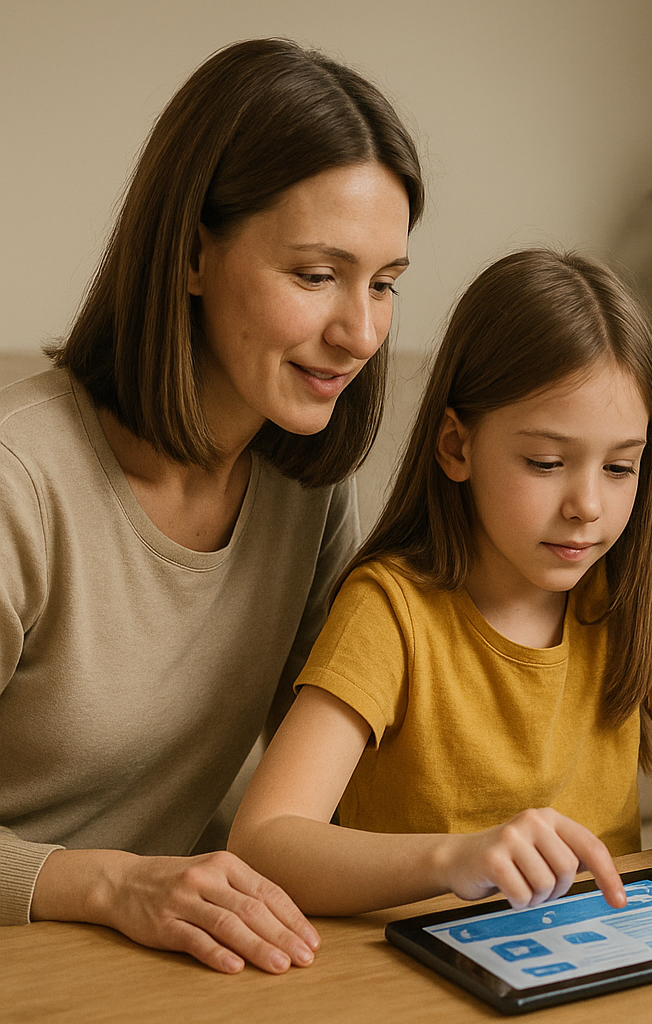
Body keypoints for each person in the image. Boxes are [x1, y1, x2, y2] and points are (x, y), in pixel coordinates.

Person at [227, 249, 652, 950]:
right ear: (456, 446)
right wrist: (450, 859)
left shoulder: (629, 594)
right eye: (546, 463)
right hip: (429, 970)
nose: (587, 505)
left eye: (619, 467)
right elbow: (265, 839)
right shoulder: (391, 609)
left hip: (606, 957)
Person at [0, 38, 424, 971]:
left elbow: (318, 781)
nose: (360, 332)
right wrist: (112, 883)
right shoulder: (19, 484)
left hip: (189, 959)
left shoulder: (308, 487)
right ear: (192, 256)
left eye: (385, 283)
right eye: (317, 275)